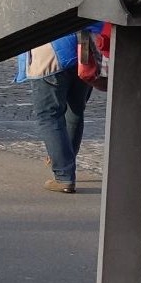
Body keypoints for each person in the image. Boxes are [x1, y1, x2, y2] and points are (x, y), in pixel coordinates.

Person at [16, 28, 105, 193]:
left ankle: (64, 174)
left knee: (48, 115)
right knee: (75, 109)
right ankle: (64, 160)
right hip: (86, 47)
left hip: (51, 50)